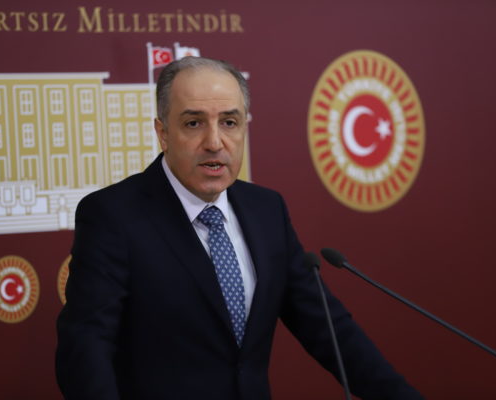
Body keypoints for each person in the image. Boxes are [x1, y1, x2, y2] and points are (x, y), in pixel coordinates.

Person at [56, 56, 423, 400]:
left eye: (229, 123)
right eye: (194, 123)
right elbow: (85, 348)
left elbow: (329, 329)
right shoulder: (114, 216)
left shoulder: (267, 210)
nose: (215, 142)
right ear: (163, 133)